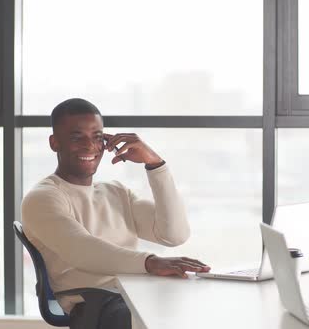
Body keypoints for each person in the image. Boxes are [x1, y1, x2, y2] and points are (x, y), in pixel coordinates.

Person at [21, 98, 210, 329]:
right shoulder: (42, 198)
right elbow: (83, 251)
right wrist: (151, 262)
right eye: (76, 137)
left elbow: (174, 235)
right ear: (54, 142)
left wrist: (155, 164)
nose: (90, 146)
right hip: (97, 304)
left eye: (97, 137)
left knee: (204, 305)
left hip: (136, 292)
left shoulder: (117, 192)